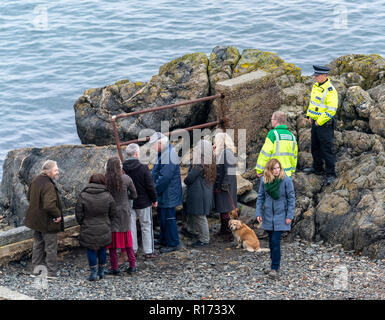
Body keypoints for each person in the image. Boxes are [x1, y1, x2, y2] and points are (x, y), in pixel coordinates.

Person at [255, 158, 295, 279]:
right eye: (274, 168)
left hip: (281, 216)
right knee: (271, 243)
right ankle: (273, 265)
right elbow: (260, 197)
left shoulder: (286, 180)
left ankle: (275, 268)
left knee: (275, 242)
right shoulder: (264, 180)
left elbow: (291, 199)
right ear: (269, 169)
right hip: (268, 216)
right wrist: (258, 213)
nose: (277, 170)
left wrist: (289, 216)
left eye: (278, 168)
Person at [25, 160, 64, 279]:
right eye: (55, 170)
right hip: (47, 221)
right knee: (51, 247)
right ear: (48, 171)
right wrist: (57, 215)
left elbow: (28, 197)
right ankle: (52, 273)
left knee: (37, 244)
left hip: (36, 220)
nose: (58, 172)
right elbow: (49, 205)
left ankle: (35, 271)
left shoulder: (35, 180)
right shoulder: (48, 185)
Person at [75, 173, 116, 281]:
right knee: (102, 248)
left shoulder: (83, 195)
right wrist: (107, 222)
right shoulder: (108, 195)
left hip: (88, 226)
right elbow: (113, 212)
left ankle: (93, 274)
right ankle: (101, 272)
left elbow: (78, 213)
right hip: (104, 227)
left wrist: (83, 223)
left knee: (91, 249)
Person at [303, 65, 339, 185]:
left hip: (325, 125)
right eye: (315, 75)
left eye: (317, 76)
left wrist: (320, 121)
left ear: (324, 76)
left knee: (326, 149)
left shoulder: (330, 91)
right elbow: (313, 103)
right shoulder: (316, 86)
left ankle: (330, 173)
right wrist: (309, 116)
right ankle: (317, 168)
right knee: (315, 146)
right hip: (315, 122)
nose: (315, 77)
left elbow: (331, 110)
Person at [123, 143, 158, 260]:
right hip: (143, 201)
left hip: (128, 201)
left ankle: (133, 249)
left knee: (131, 226)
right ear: (137, 153)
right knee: (146, 225)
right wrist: (154, 199)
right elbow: (150, 186)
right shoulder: (143, 167)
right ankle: (148, 251)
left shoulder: (122, 168)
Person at [150, 132, 182, 253]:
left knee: (168, 218)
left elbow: (164, 177)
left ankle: (173, 243)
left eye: (153, 145)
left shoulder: (168, 155)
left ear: (160, 143)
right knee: (163, 217)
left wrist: (154, 191)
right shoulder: (164, 153)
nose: (152, 147)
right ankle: (164, 239)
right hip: (166, 193)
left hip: (168, 193)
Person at [105, 157, 138, 275]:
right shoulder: (126, 179)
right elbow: (134, 195)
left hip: (111, 211)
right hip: (124, 211)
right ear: (119, 167)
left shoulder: (106, 180)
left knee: (112, 243)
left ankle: (114, 267)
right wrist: (126, 198)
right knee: (128, 240)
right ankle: (132, 265)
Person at [183, 139, 216, 247]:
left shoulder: (199, 163)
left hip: (198, 193)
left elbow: (189, 179)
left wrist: (185, 180)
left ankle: (204, 239)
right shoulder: (211, 161)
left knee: (200, 216)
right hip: (205, 191)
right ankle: (191, 231)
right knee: (194, 214)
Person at [255, 111, 298, 178]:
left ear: (275, 121)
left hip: (274, 174)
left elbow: (265, 153)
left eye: (272, 119)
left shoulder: (273, 134)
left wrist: (259, 170)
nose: (271, 121)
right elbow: (294, 156)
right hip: (287, 175)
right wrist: (292, 171)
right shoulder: (292, 136)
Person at [213, 132, 238, 241]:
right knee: (223, 210)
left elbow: (231, 171)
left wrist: (225, 184)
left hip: (225, 186)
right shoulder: (222, 152)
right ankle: (223, 230)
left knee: (226, 209)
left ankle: (228, 234)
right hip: (222, 186)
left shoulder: (227, 153)